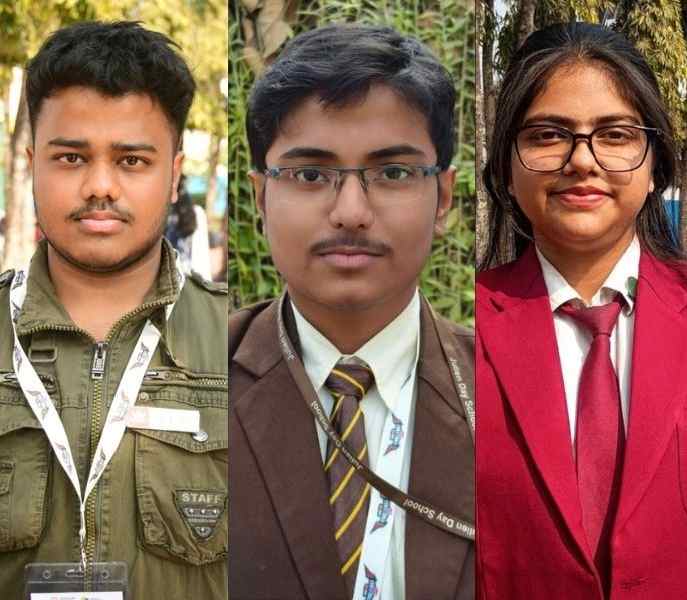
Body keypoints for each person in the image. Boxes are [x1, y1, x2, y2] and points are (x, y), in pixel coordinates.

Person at [229, 24, 475, 600]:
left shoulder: (502, 393)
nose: (350, 211)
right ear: (261, 197)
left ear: (443, 198)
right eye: (311, 174)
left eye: (391, 173)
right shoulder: (199, 377)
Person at [475, 22, 687, 600]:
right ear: (507, 164)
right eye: (549, 134)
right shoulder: (454, 329)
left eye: (616, 134)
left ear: (656, 165)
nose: (583, 161)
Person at [0, 21, 227, 598]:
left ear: (174, 174)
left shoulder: (240, 345)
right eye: (72, 158)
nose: (100, 186)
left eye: (131, 161)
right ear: (34, 164)